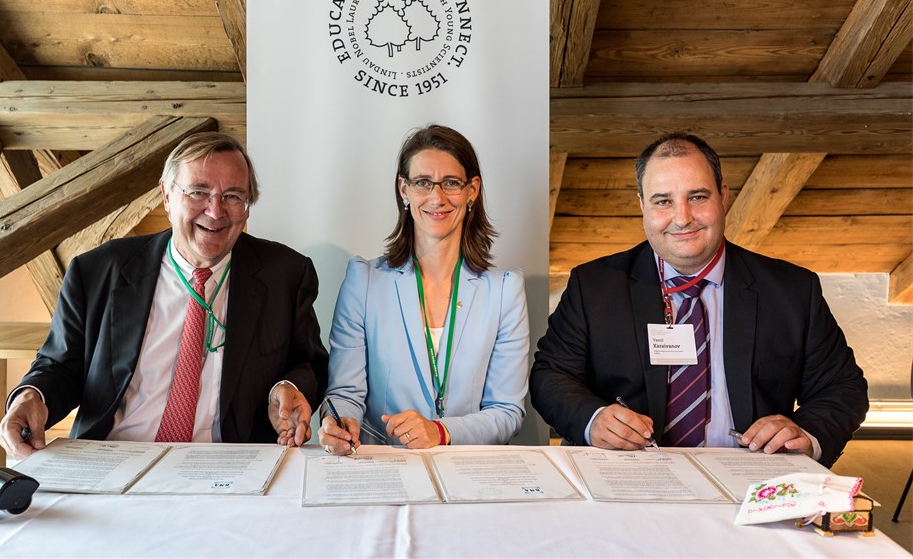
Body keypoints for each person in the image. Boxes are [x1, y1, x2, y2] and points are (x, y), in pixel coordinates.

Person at [530, 133, 867, 468]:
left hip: (751, 476)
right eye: (663, 201)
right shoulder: (594, 286)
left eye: (697, 197)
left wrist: (805, 435)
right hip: (628, 473)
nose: (682, 218)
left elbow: (841, 388)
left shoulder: (792, 290)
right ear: (642, 205)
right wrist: (594, 419)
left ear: (723, 196)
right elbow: (551, 375)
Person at [0, 132, 329, 459]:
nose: (215, 211)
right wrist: (31, 397)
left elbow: (309, 364)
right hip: (113, 459)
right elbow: (59, 366)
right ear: (167, 197)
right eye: (198, 192)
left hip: (228, 467)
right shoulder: (98, 271)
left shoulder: (284, 275)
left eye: (233, 196)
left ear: (247, 207)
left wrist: (287, 389)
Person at [319, 124, 529, 454]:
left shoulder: (505, 290)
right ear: (403, 189)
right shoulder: (364, 280)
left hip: (465, 475)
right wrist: (339, 423)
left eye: (451, 183)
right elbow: (345, 394)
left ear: (472, 190)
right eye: (422, 183)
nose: (437, 197)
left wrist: (441, 432)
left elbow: (508, 412)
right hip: (383, 471)